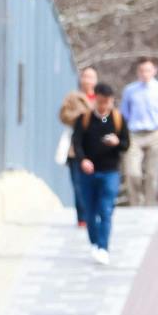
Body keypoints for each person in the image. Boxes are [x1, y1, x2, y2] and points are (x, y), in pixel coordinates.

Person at [71, 81, 129, 264]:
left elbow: (126, 144)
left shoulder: (117, 119)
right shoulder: (85, 119)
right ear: (95, 99)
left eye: (108, 102)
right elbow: (77, 143)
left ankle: (103, 247)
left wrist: (116, 142)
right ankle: (95, 242)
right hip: (89, 172)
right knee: (90, 211)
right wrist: (83, 160)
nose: (104, 106)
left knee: (105, 209)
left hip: (110, 171)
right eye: (101, 101)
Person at [119, 55, 158, 207]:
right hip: (134, 134)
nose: (145, 73)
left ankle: (150, 203)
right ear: (138, 71)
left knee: (152, 174)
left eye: (148, 70)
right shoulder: (130, 90)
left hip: (155, 132)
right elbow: (123, 113)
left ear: (154, 71)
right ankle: (136, 203)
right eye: (142, 70)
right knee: (132, 172)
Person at [58, 65, 99, 227]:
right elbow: (63, 116)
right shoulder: (72, 97)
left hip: (96, 148)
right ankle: (83, 217)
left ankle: (93, 212)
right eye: (85, 76)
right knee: (78, 183)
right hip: (76, 147)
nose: (88, 80)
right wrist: (81, 119)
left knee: (94, 182)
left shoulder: (101, 98)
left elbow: (107, 119)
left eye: (91, 77)